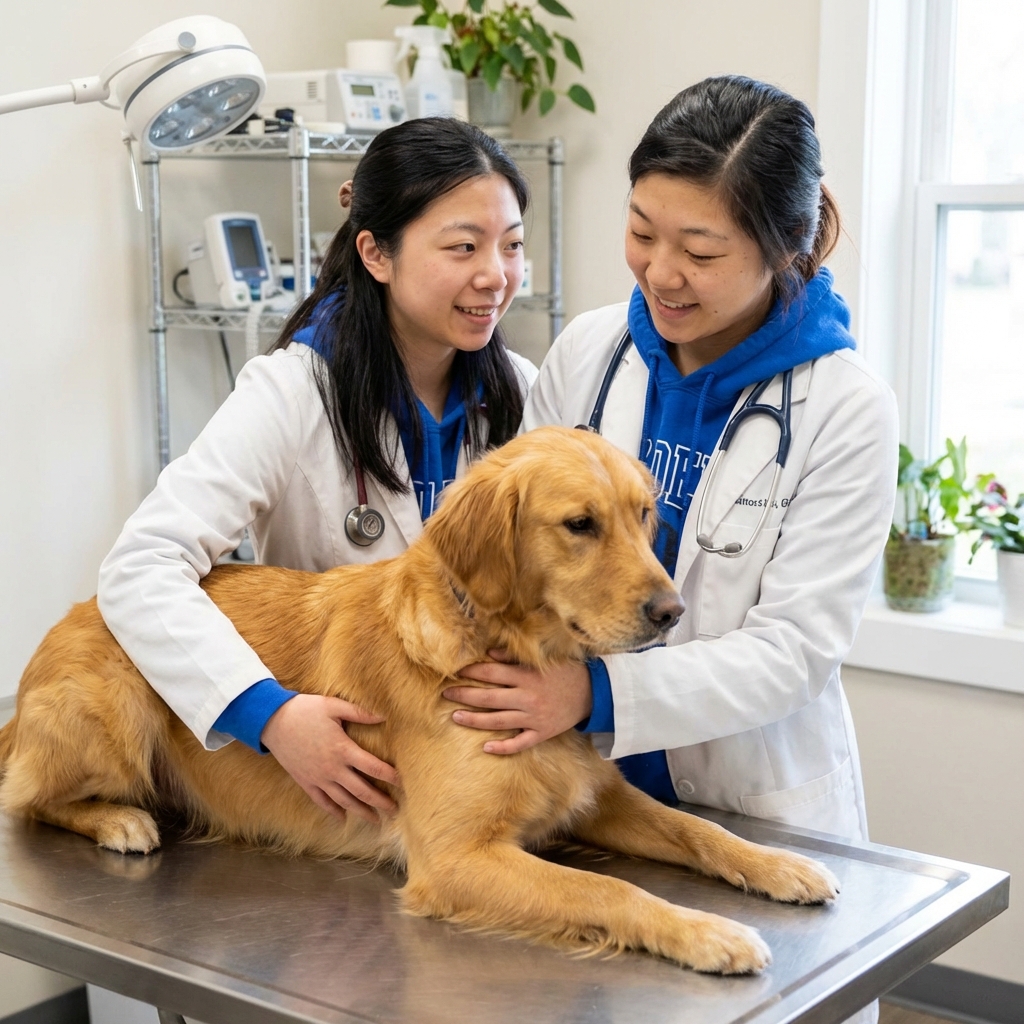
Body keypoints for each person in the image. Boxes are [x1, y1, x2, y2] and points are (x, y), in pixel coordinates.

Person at [445, 77, 897, 852]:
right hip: (573, 790)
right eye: (642, 232)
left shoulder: (846, 409)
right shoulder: (589, 353)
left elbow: (794, 652)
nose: (659, 272)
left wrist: (594, 692)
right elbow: (521, 564)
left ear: (786, 247)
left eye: (701, 251)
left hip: (745, 800)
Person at [97, 117, 537, 825]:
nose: (496, 275)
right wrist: (268, 715)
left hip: (472, 756)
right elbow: (141, 565)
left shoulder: (522, 393)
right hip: (342, 768)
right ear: (376, 253)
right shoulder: (293, 392)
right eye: (463, 246)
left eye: (512, 246)